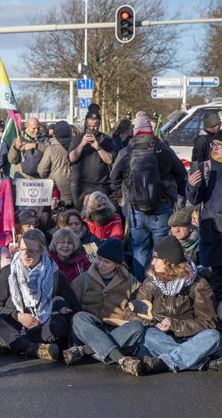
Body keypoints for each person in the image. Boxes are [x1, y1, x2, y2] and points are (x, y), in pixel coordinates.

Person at [0, 229, 81, 362]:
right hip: (13, 322)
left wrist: (58, 307)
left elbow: (75, 307)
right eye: (22, 250)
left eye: (31, 251)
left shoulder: (55, 275)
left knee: (59, 325)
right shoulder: (8, 272)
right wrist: (18, 316)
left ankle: (8, 343)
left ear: (42, 251)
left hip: (40, 325)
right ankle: (29, 347)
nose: (26, 255)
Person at [125, 236, 222, 374]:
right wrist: (154, 323)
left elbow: (208, 322)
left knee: (213, 336)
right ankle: (200, 362)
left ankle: (164, 362)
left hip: (192, 338)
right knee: (148, 335)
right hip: (162, 337)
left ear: (169, 263)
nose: (152, 262)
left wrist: (174, 325)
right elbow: (130, 313)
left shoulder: (198, 284)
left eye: (157, 259)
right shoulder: (151, 282)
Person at [111, 111, 186, 281]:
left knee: (140, 251)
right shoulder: (162, 149)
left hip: (137, 210)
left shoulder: (127, 151)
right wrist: (178, 199)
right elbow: (181, 173)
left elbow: (114, 178)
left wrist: (125, 195)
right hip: (161, 207)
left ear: (135, 130)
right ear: (151, 130)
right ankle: (161, 288)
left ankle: (141, 289)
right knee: (162, 252)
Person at [62, 238, 144, 375]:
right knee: (79, 317)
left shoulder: (131, 281)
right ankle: (121, 359)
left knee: (137, 327)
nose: (100, 264)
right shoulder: (84, 278)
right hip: (88, 330)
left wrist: (136, 305)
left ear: (117, 264)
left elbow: (143, 302)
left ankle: (84, 351)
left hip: (115, 330)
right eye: (99, 259)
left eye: (106, 262)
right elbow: (69, 300)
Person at [186, 130, 222, 306]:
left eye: (220, 146)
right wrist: (192, 186)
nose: (215, 149)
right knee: (214, 281)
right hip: (213, 233)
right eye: (214, 145)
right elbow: (194, 199)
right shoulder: (205, 168)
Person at [69, 103, 114, 206]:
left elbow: (110, 160)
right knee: (81, 214)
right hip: (80, 184)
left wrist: (98, 147)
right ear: (85, 124)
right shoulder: (78, 138)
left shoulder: (106, 140)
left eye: (95, 126)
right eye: (89, 126)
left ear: (99, 125)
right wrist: (82, 144)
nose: (92, 129)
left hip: (100, 185)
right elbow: (71, 158)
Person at [38, 120, 73, 208]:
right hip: (74, 188)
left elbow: (42, 170)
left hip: (56, 190)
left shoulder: (51, 149)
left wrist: (48, 177)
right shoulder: (77, 146)